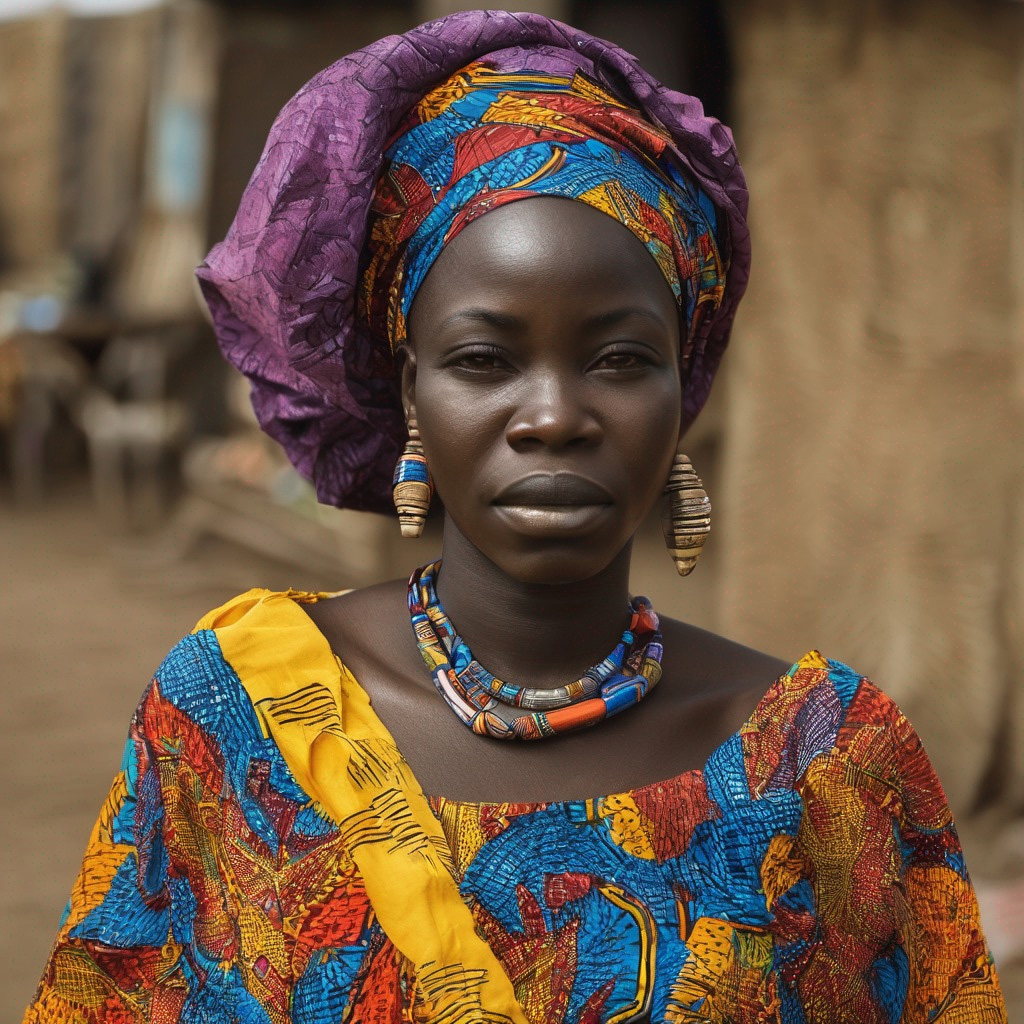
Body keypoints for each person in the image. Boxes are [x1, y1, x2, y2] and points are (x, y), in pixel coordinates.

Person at [24, 10, 1006, 1023]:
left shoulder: (824, 764)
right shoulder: (239, 720)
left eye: (619, 359)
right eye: (483, 360)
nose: (551, 416)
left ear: (686, 388)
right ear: (413, 392)